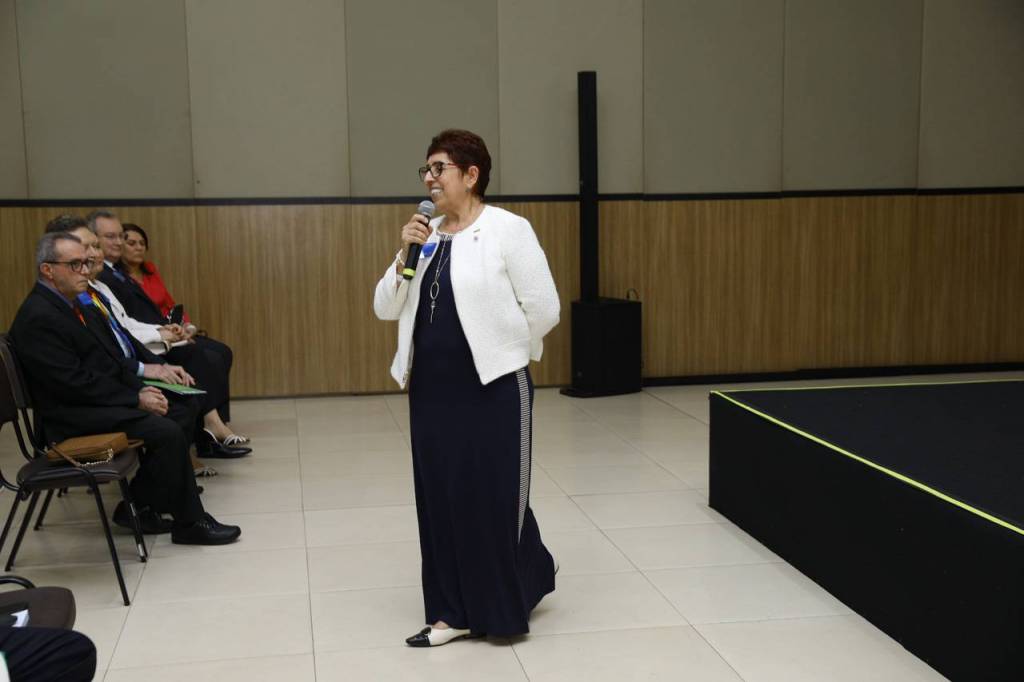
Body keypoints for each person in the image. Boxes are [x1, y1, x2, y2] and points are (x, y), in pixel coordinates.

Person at [373, 129, 560, 646]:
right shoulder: (425, 235)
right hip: (432, 393)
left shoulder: (508, 229)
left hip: (495, 389)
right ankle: (449, 613)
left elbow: (545, 308)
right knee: (440, 498)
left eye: (440, 169)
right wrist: (405, 253)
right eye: (426, 170)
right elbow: (384, 307)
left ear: (471, 175)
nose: (429, 179)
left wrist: (509, 352)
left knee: (493, 498)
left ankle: (501, 606)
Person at [8, 231, 241, 545]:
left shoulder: (70, 304)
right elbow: (73, 383)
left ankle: (140, 505)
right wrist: (135, 398)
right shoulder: (40, 316)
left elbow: (108, 361)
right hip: (69, 419)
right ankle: (188, 522)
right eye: (75, 264)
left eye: (85, 263)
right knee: (167, 429)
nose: (85, 270)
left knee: (180, 408)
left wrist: (142, 387)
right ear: (48, 270)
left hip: (86, 403)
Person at [44, 215, 250, 461]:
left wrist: (164, 337)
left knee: (214, 354)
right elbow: (106, 351)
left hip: (126, 364)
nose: (93, 255)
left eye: (94, 247)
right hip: (102, 391)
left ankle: (208, 433)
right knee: (189, 371)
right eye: (90, 248)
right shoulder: (71, 300)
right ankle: (203, 439)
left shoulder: (102, 285)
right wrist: (145, 369)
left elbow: (123, 328)